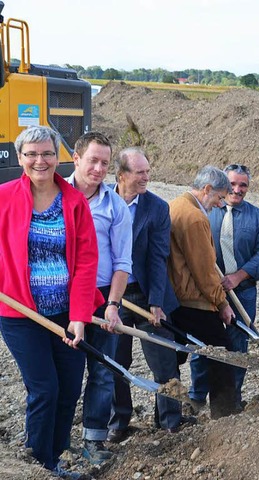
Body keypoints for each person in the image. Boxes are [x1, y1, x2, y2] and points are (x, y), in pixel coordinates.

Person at [0, 126, 102, 479]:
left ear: (58, 156)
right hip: (19, 312)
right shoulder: (4, 197)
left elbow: (87, 260)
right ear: (20, 158)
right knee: (44, 388)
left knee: (69, 388)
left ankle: (53, 459)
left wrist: (79, 316)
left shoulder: (73, 201)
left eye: (46, 153)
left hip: (64, 314)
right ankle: (39, 463)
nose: (39, 161)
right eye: (31, 154)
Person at [107, 147, 183, 442]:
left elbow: (158, 256)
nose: (146, 177)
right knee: (115, 362)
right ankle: (119, 420)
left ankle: (170, 422)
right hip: (114, 296)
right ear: (122, 175)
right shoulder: (103, 201)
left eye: (148, 171)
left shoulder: (156, 208)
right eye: (140, 172)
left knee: (165, 361)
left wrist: (156, 302)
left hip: (146, 293)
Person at [68, 132, 133, 464]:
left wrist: (113, 304)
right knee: (64, 371)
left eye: (105, 163)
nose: (98, 168)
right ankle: (57, 435)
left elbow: (123, 260)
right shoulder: (54, 196)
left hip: (101, 298)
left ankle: (94, 439)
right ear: (76, 158)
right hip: (61, 300)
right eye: (92, 160)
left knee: (103, 371)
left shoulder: (115, 205)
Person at [189, 164, 259, 411]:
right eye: (232, 184)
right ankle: (196, 398)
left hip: (243, 292)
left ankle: (229, 401)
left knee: (238, 346)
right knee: (203, 346)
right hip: (207, 292)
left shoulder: (258, 218)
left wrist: (239, 276)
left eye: (243, 185)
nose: (237, 190)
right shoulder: (206, 212)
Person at [167, 165, 237, 418]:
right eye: (219, 197)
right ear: (206, 189)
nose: (219, 204)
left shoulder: (176, 205)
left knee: (172, 358)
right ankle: (225, 413)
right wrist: (221, 303)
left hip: (176, 298)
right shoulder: (195, 217)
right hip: (193, 300)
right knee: (222, 353)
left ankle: (168, 415)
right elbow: (204, 269)